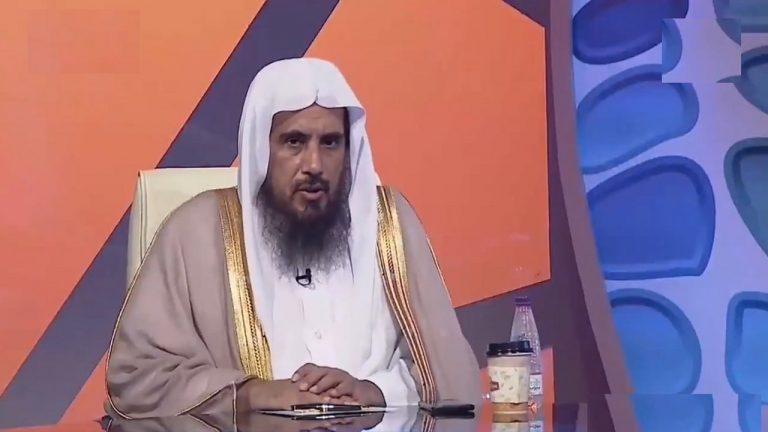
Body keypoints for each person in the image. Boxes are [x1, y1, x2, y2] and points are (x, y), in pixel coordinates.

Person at [105, 57, 481, 419]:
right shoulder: (195, 233)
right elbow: (137, 378)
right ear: (261, 149)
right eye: (294, 142)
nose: (314, 165)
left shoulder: (390, 225)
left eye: (330, 142)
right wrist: (251, 394)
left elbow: (453, 375)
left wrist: (376, 392)